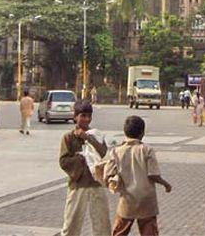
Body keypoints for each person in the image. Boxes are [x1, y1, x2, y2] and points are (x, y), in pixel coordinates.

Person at [102, 115, 171, 236]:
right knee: (149, 231)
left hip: (127, 199)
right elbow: (153, 175)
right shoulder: (147, 150)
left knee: (120, 230)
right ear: (142, 133)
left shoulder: (116, 151)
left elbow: (107, 174)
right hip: (146, 200)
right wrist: (165, 184)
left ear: (125, 132)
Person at [59, 100, 111, 236]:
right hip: (78, 185)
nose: (86, 119)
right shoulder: (68, 138)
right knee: (71, 224)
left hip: (96, 184)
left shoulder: (96, 135)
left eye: (89, 116)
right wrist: (81, 159)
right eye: (83, 116)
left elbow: (104, 153)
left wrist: (88, 138)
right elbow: (64, 161)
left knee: (102, 223)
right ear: (75, 116)